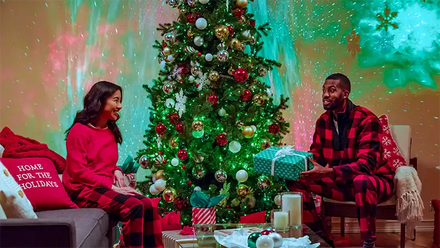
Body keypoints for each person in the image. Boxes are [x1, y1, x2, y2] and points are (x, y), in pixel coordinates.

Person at [288, 73, 394, 248]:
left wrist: (329, 171)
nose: (325, 95)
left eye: (332, 90)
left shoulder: (368, 120)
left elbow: (367, 166)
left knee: (362, 181)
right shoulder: (323, 122)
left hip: (375, 182)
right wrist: (292, 163)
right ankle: (318, 235)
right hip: (342, 183)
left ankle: (368, 242)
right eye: (324, 90)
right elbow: (316, 156)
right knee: (296, 178)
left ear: (345, 94)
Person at [63, 81, 163, 248]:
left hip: (101, 187)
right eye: (116, 100)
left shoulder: (109, 130)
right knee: (134, 207)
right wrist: (111, 186)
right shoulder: (79, 131)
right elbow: (77, 171)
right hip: (81, 190)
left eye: (120, 101)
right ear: (100, 100)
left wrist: (116, 170)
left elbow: (102, 162)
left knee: (148, 204)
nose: (120, 106)